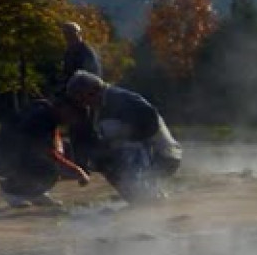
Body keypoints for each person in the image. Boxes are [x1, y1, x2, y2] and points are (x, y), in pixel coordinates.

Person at [63, 70, 181, 203]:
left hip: (162, 157)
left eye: (82, 98)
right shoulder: (99, 107)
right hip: (142, 159)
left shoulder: (121, 99)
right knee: (104, 159)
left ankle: (147, 195)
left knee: (122, 148)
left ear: (93, 91)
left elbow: (150, 121)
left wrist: (124, 139)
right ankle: (141, 196)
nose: (83, 104)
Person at [0, 95, 91, 208]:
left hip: (10, 154)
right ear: (64, 108)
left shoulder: (46, 112)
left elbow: (53, 138)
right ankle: (10, 190)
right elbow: (48, 153)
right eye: (73, 115)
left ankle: (34, 193)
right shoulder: (39, 119)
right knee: (51, 167)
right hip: (1, 158)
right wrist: (78, 171)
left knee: (65, 152)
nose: (72, 121)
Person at [59, 21, 102, 86]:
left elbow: (92, 74)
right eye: (66, 34)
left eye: (71, 34)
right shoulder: (69, 51)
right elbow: (66, 71)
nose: (69, 37)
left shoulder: (86, 53)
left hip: (85, 88)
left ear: (78, 35)